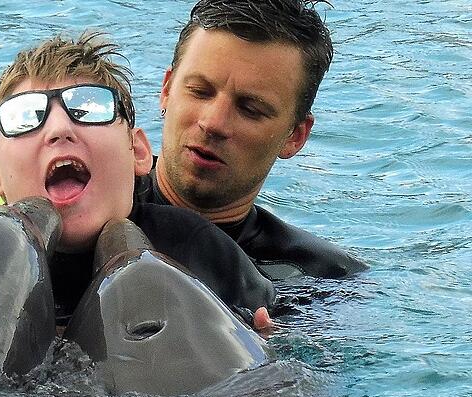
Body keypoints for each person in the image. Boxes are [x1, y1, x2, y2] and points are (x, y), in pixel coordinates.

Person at [0, 32, 276, 329]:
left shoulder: (199, 250)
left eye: (88, 109)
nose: (59, 128)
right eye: (24, 118)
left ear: (138, 152)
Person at [134, 0, 368, 280]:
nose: (213, 123)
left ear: (295, 136)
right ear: (167, 90)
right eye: (199, 91)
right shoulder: (83, 209)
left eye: (250, 109)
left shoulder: (323, 278)